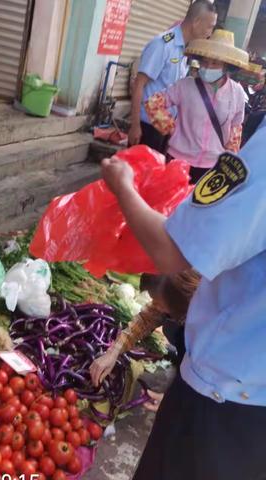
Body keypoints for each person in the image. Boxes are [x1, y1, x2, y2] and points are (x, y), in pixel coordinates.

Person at [100, 128, 266, 478]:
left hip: (223, 402)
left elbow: (173, 251)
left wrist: (123, 188)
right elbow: (148, 316)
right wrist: (113, 351)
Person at [144, 29, 248, 184]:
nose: (208, 66)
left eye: (215, 63)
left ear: (226, 66)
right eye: (205, 62)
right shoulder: (185, 85)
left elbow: (236, 126)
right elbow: (153, 103)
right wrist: (171, 129)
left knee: (199, 207)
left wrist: (229, 158)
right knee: (172, 204)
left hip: (213, 166)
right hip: (179, 160)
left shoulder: (237, 92)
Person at [90, 270, 201, 411]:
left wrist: (175, 401)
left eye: (159, 303)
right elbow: (144, 320)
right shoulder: (173, 292)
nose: (155, 305)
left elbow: (210, 378)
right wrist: (113, 351)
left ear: (179, 304)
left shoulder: (210, 325)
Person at [128, 0, 217, 152]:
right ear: (196, 22)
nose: (210, 33)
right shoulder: (163, 44)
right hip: (147, 127)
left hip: (165, 127)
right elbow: (139, 84)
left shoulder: (184, 49)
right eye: (209, 26)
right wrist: (135, 125)